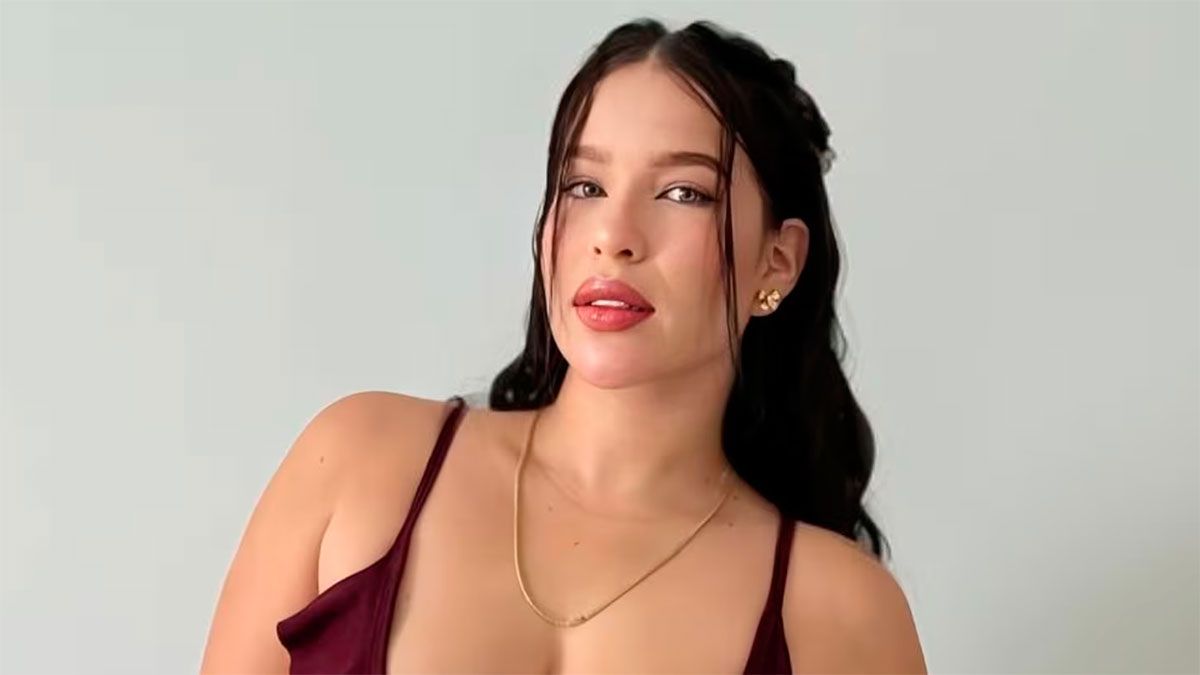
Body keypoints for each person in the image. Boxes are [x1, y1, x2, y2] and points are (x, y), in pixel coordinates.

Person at [201, 17, 927, 674]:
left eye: (683, 193)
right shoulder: (362, 462)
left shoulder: (842, 615)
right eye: (584, 186)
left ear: (778, 261)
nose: (614, 235)